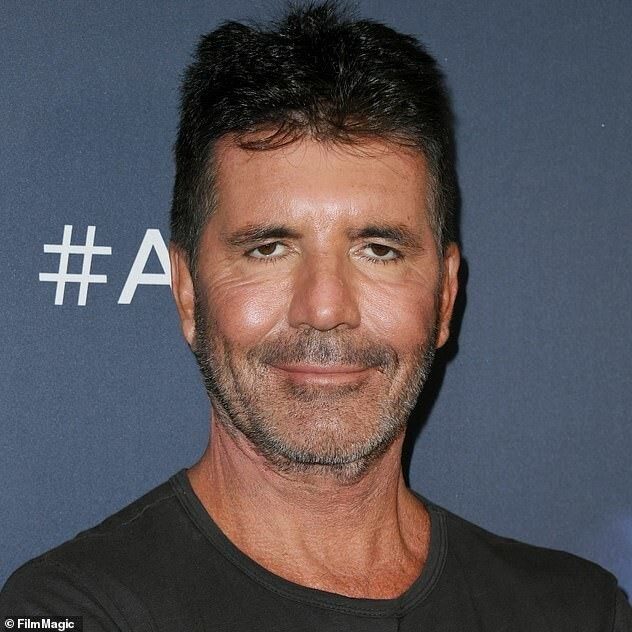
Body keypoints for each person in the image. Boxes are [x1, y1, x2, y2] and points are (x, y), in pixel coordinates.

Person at [2, 2, 630, 630]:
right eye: (269, 249)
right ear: (188, 292)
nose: (325, 308)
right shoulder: (74, 611)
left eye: (378, 250)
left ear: (444, 297)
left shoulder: (577, 612)